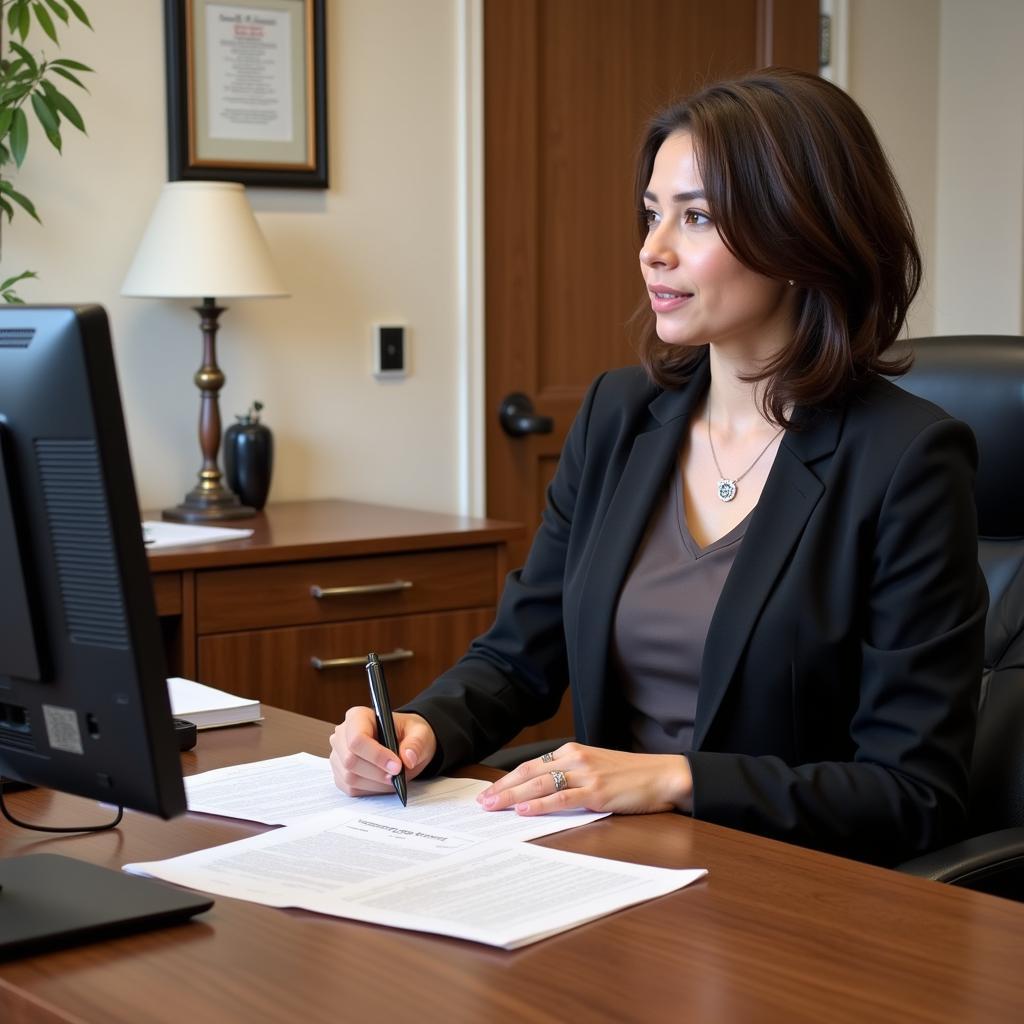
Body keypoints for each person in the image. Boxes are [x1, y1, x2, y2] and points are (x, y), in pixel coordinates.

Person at [330, 68, 987, 865]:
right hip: (610, 873)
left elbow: (913, 791)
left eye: (697, 217)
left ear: (801, 235)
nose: (653, 250)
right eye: (651, 214)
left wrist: (677, 779)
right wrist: (420, 728)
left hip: (786, 889)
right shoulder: (619, 415)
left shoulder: (906, 459)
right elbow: (518, 655)